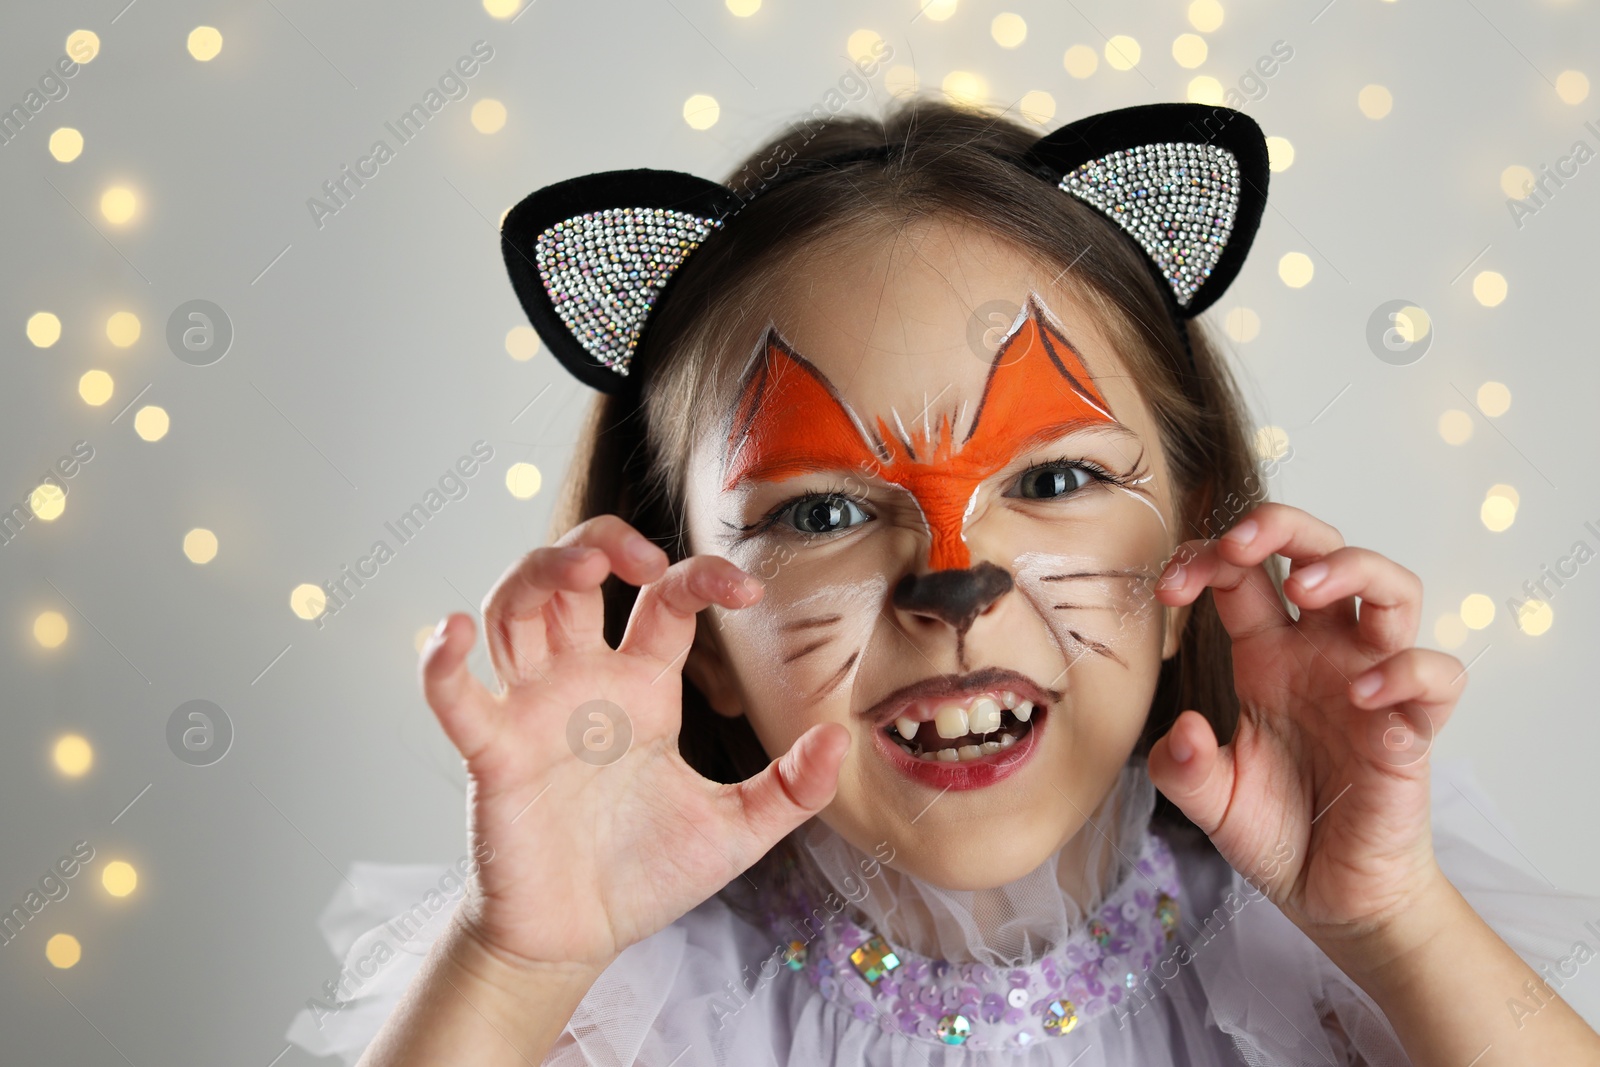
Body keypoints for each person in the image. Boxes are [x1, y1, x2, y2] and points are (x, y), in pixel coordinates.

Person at [286, 98, 1600, 1065]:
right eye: (820, 510)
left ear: (1196, 538)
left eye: (1057, 480)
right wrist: (523, 967)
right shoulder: (632, 1015)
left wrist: (1400, 926)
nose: (952, 584)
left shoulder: (1329, 971)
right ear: (687, 628)